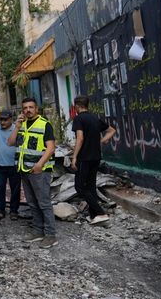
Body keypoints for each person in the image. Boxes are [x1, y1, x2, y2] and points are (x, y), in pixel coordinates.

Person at [7, 97, 58, 249]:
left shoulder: (44, 125)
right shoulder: (21, 125)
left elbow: (51, 148)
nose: (28, 110)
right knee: (32, 203)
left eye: (31, 107)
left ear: (36, 109)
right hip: (24, 169)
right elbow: (10, 142)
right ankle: (38, 231)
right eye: (25, 108)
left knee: (43, 203)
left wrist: (39, 164)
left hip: (39, 170)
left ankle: (50, 235)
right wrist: (16, 126)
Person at [71, 95, 116, 225]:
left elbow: (80, 138)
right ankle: (94, 216)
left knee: (79, 186)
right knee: (90, 186)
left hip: (84, 157)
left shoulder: (79, 119)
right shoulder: (95, 118)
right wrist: (102, 140)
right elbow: (112, 130)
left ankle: (101, 213)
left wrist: (74, 157)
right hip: (96, 157)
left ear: (77, 106)